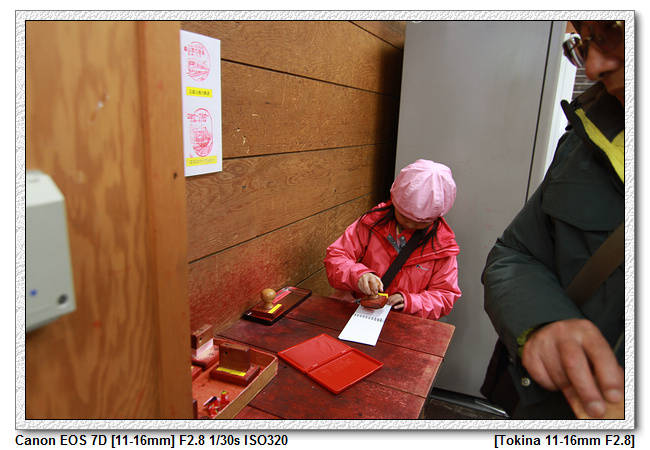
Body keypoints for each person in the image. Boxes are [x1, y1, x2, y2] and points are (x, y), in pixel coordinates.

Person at [481, 20, 625, 419]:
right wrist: (543, 321)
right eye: (585, 42)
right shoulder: (583, 139)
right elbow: (516, 253)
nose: (592, 67)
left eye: (612, 31)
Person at [324, 159, 461, 320]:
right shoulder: (372, 223)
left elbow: (445, 295)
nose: (410, 224)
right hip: (360, 313)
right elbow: (336, 256)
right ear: (394, 200)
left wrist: (411, 302)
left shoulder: (442, 247)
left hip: (404, 322)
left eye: (421, 222)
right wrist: (358, 275)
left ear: (436, 217)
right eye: (404, 216)